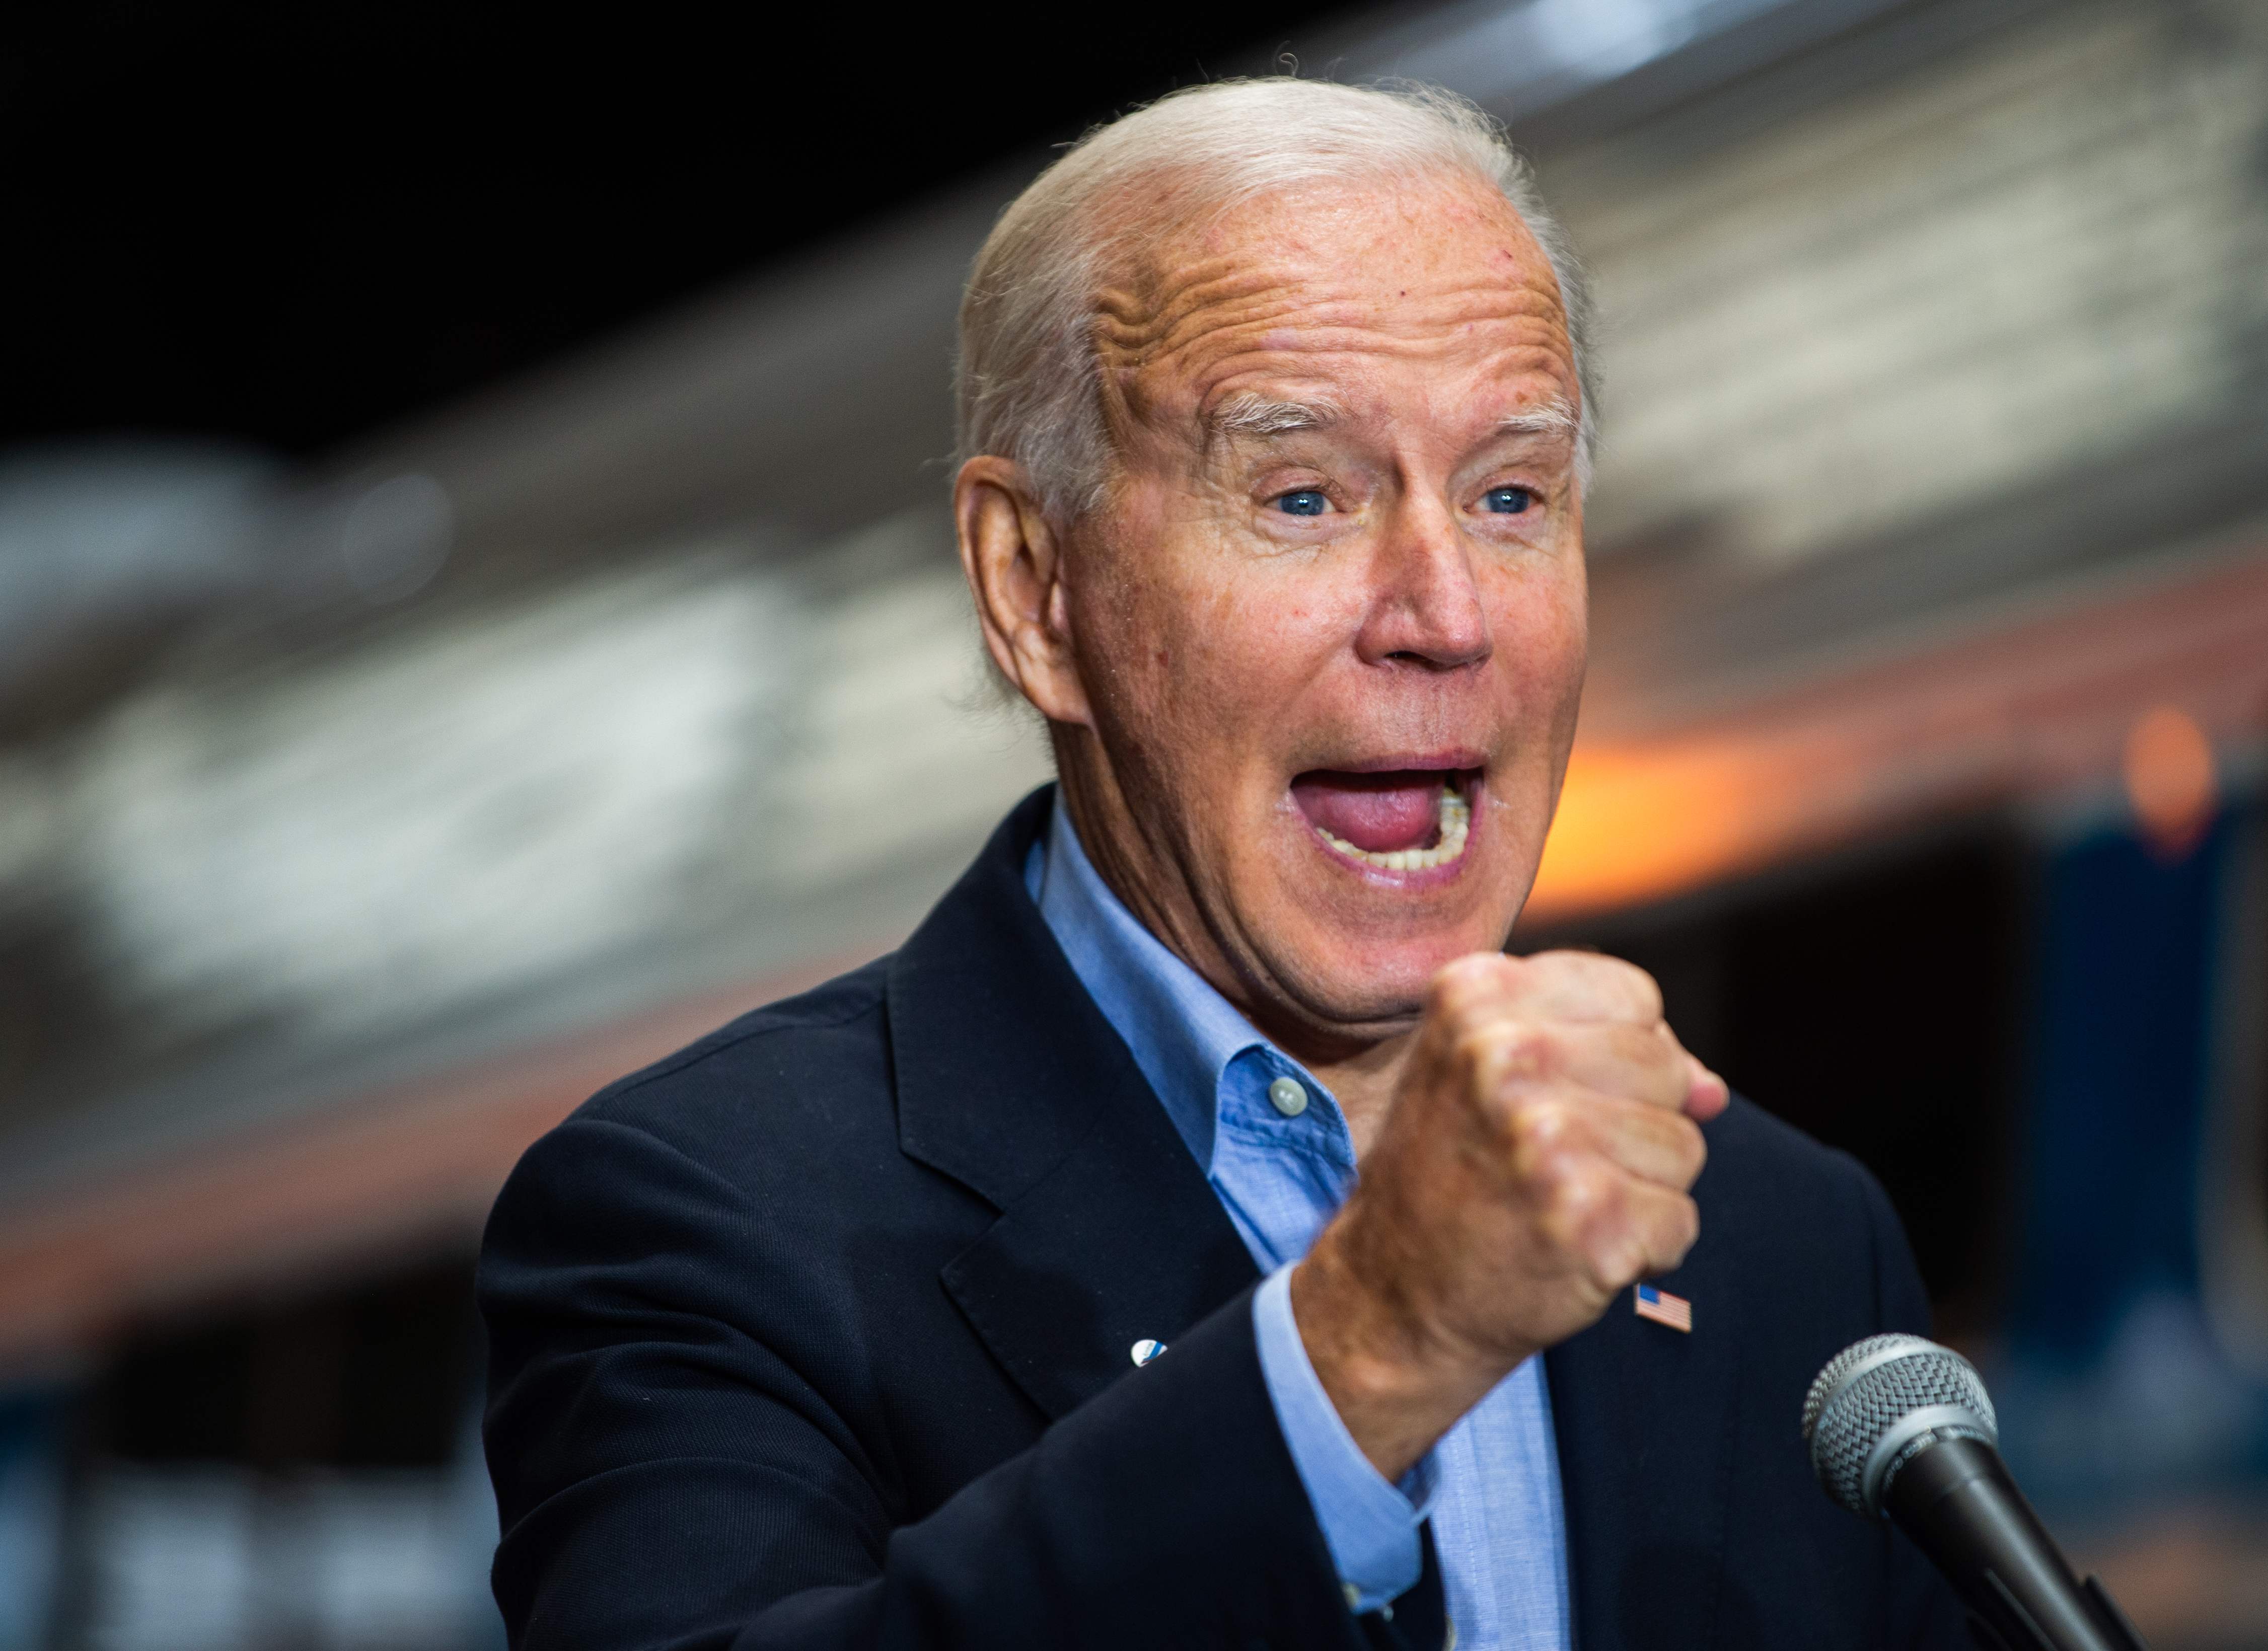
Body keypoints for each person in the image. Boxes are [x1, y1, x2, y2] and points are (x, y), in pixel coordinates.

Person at [480, 77, 1970, 1651]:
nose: (1446, 613)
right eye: (1305, 495)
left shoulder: (1788, 1243)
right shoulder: (698, 1217)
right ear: (1034, 587)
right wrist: (1370, 1346)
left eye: (1512, 494)